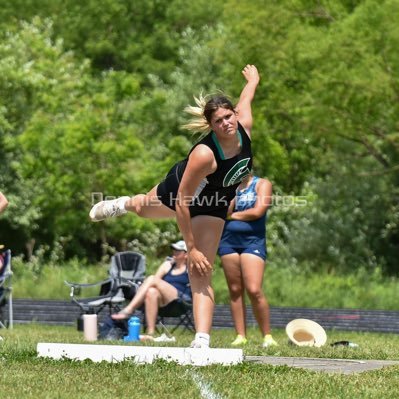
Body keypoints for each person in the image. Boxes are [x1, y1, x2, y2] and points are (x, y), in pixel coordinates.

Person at [90, 64, 260, 348]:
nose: (226, 124)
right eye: (218, 121)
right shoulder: (205, 154)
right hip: (182, 193)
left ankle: (202, 339)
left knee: (202, 271)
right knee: (144, 207)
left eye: (228, 117)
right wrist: (190, 248)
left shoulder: (245, 127)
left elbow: (246, 98)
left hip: (213, 204)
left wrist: (253, 79)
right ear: (211, 126)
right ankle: (121, 204)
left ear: (234, 115)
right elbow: (182, 202)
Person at [218, 174, 277, 348]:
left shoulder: (262, 184)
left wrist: (234, 216)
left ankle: (267, 336)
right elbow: (225, 211)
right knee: (235, 290)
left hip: (253, 242)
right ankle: (240, 335)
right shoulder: (229, 186)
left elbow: (258, 211)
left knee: (254, 289)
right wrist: (231, 194)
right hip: (228, 241)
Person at [112, 240, 191, 336]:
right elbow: (154, 282)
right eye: (174, 250)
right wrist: (167, 264)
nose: (174, 252)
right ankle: (150, 332)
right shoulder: (168, 265)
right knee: (151, 291)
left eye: (178, 251)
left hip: (181, 300)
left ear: (186, 254)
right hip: (164, 302)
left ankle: (129, 309)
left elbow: (154, 280)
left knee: (152, 278)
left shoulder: (190, 267)